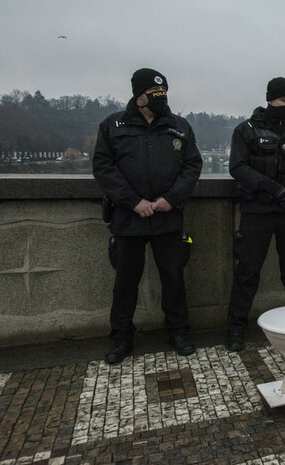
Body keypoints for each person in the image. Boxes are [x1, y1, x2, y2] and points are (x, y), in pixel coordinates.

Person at [93, 68, 203, 364]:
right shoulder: (113, 125)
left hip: (168, 216)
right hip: (129, 217)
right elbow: (104, 168)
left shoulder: (179, 126)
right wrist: (132, 201)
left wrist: (172, 198)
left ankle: (178, 332)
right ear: (138, 95)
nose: (160, 98)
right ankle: (121, 338)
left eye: (164, 92)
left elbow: (192, 166)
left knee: (173, 278)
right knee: (126, 281)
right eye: (154, 93)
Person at [226, 77, 285, 352]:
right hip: (258, 211)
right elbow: (238, 167)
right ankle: (235, 329)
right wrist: (272, 188)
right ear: (269, 100)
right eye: (283, 101)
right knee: (247, 272)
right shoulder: (247, 130)